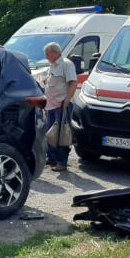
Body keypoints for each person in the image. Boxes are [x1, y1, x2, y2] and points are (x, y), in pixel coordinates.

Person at [43, 42, 77, 172]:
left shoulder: (66, 64)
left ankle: (62, 162)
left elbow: (73, 83)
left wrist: (67, 102)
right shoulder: (52, 65)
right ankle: (52, 158)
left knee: (62, 135)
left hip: (62, 105)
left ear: (55, 53)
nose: (46, 57)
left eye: (47, 54)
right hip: (51, 105)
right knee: (51, 134)